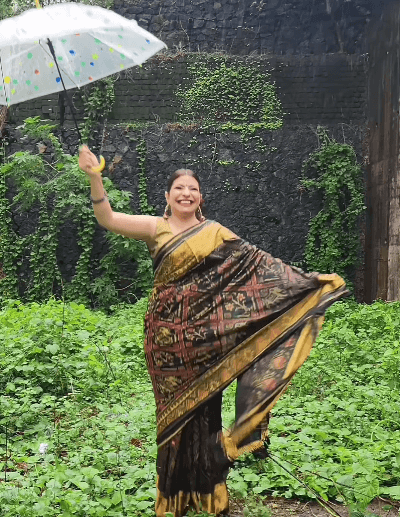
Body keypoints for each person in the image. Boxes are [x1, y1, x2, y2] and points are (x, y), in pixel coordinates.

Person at [79, 146, 347, 517]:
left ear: (200, 197)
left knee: (206, 414)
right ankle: (172, 499)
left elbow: (261, 269)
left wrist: (311, 284)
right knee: (171, 418)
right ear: (168, 196)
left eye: (193, 189)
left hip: (208, 340)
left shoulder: (216, 234)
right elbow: (107, 218)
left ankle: (208, 496)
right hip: (166, 341)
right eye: (179, 189)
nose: (186, 194)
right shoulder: (156, 228)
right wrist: (95, 175)